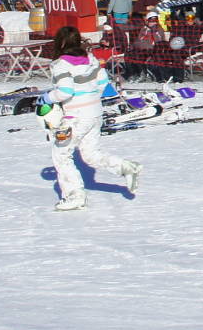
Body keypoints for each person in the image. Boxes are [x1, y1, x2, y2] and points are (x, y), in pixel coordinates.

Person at [39, 25, 141, 211]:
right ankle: (126, 167)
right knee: (90, 154)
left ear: (60, 43)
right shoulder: (92, 60)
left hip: (75, 115)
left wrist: (45, 98)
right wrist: (90, 98)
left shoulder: (61, 64)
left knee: (61, 155)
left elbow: (64, 92)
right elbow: (104, 85)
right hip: (95, 112)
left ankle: (74, 196)